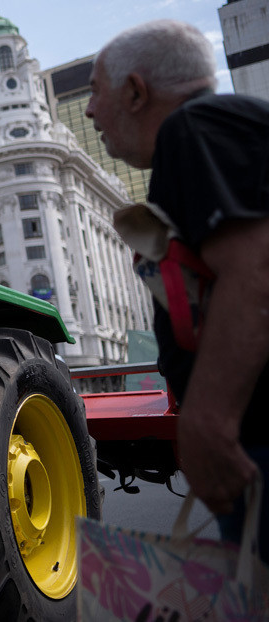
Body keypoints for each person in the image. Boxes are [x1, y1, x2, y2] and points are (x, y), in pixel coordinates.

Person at [88, 19, 269, 560]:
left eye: (97, 91)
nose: (92, 110)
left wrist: (209, 421)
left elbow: (256, 272)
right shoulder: (215, 130)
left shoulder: (196, 127)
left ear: (137, 91)